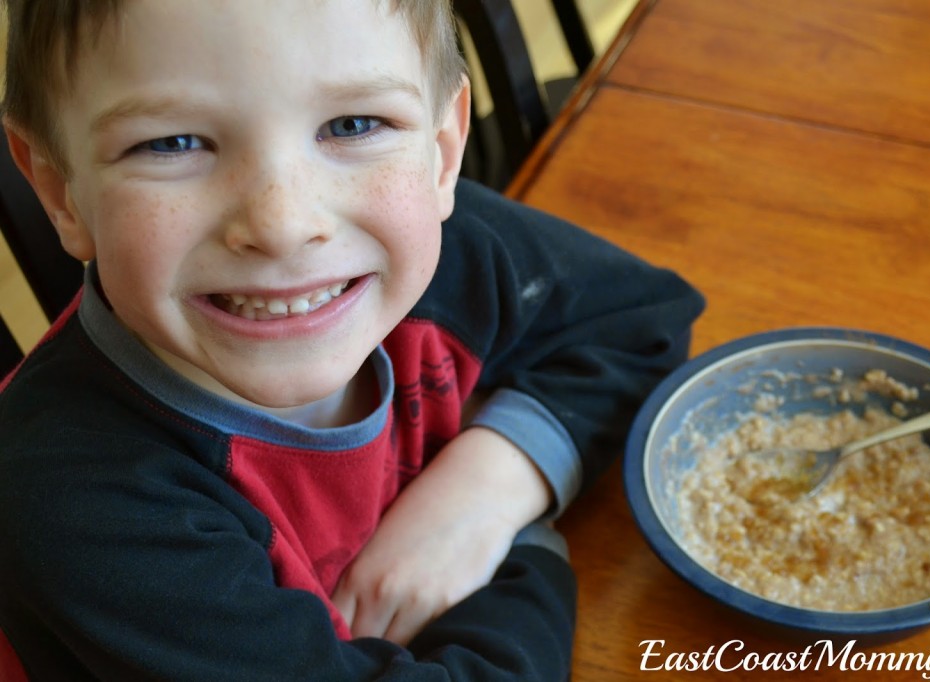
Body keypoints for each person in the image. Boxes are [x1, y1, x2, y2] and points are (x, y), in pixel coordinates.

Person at [0, 0, 704, 679]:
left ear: (440, 152)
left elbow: (639, 317)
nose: (283, 222)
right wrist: (531, 547)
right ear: (60, 192)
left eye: (353, 124)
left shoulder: (417, 256)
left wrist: (486, 492)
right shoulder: (81, 500)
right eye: (172, 142)